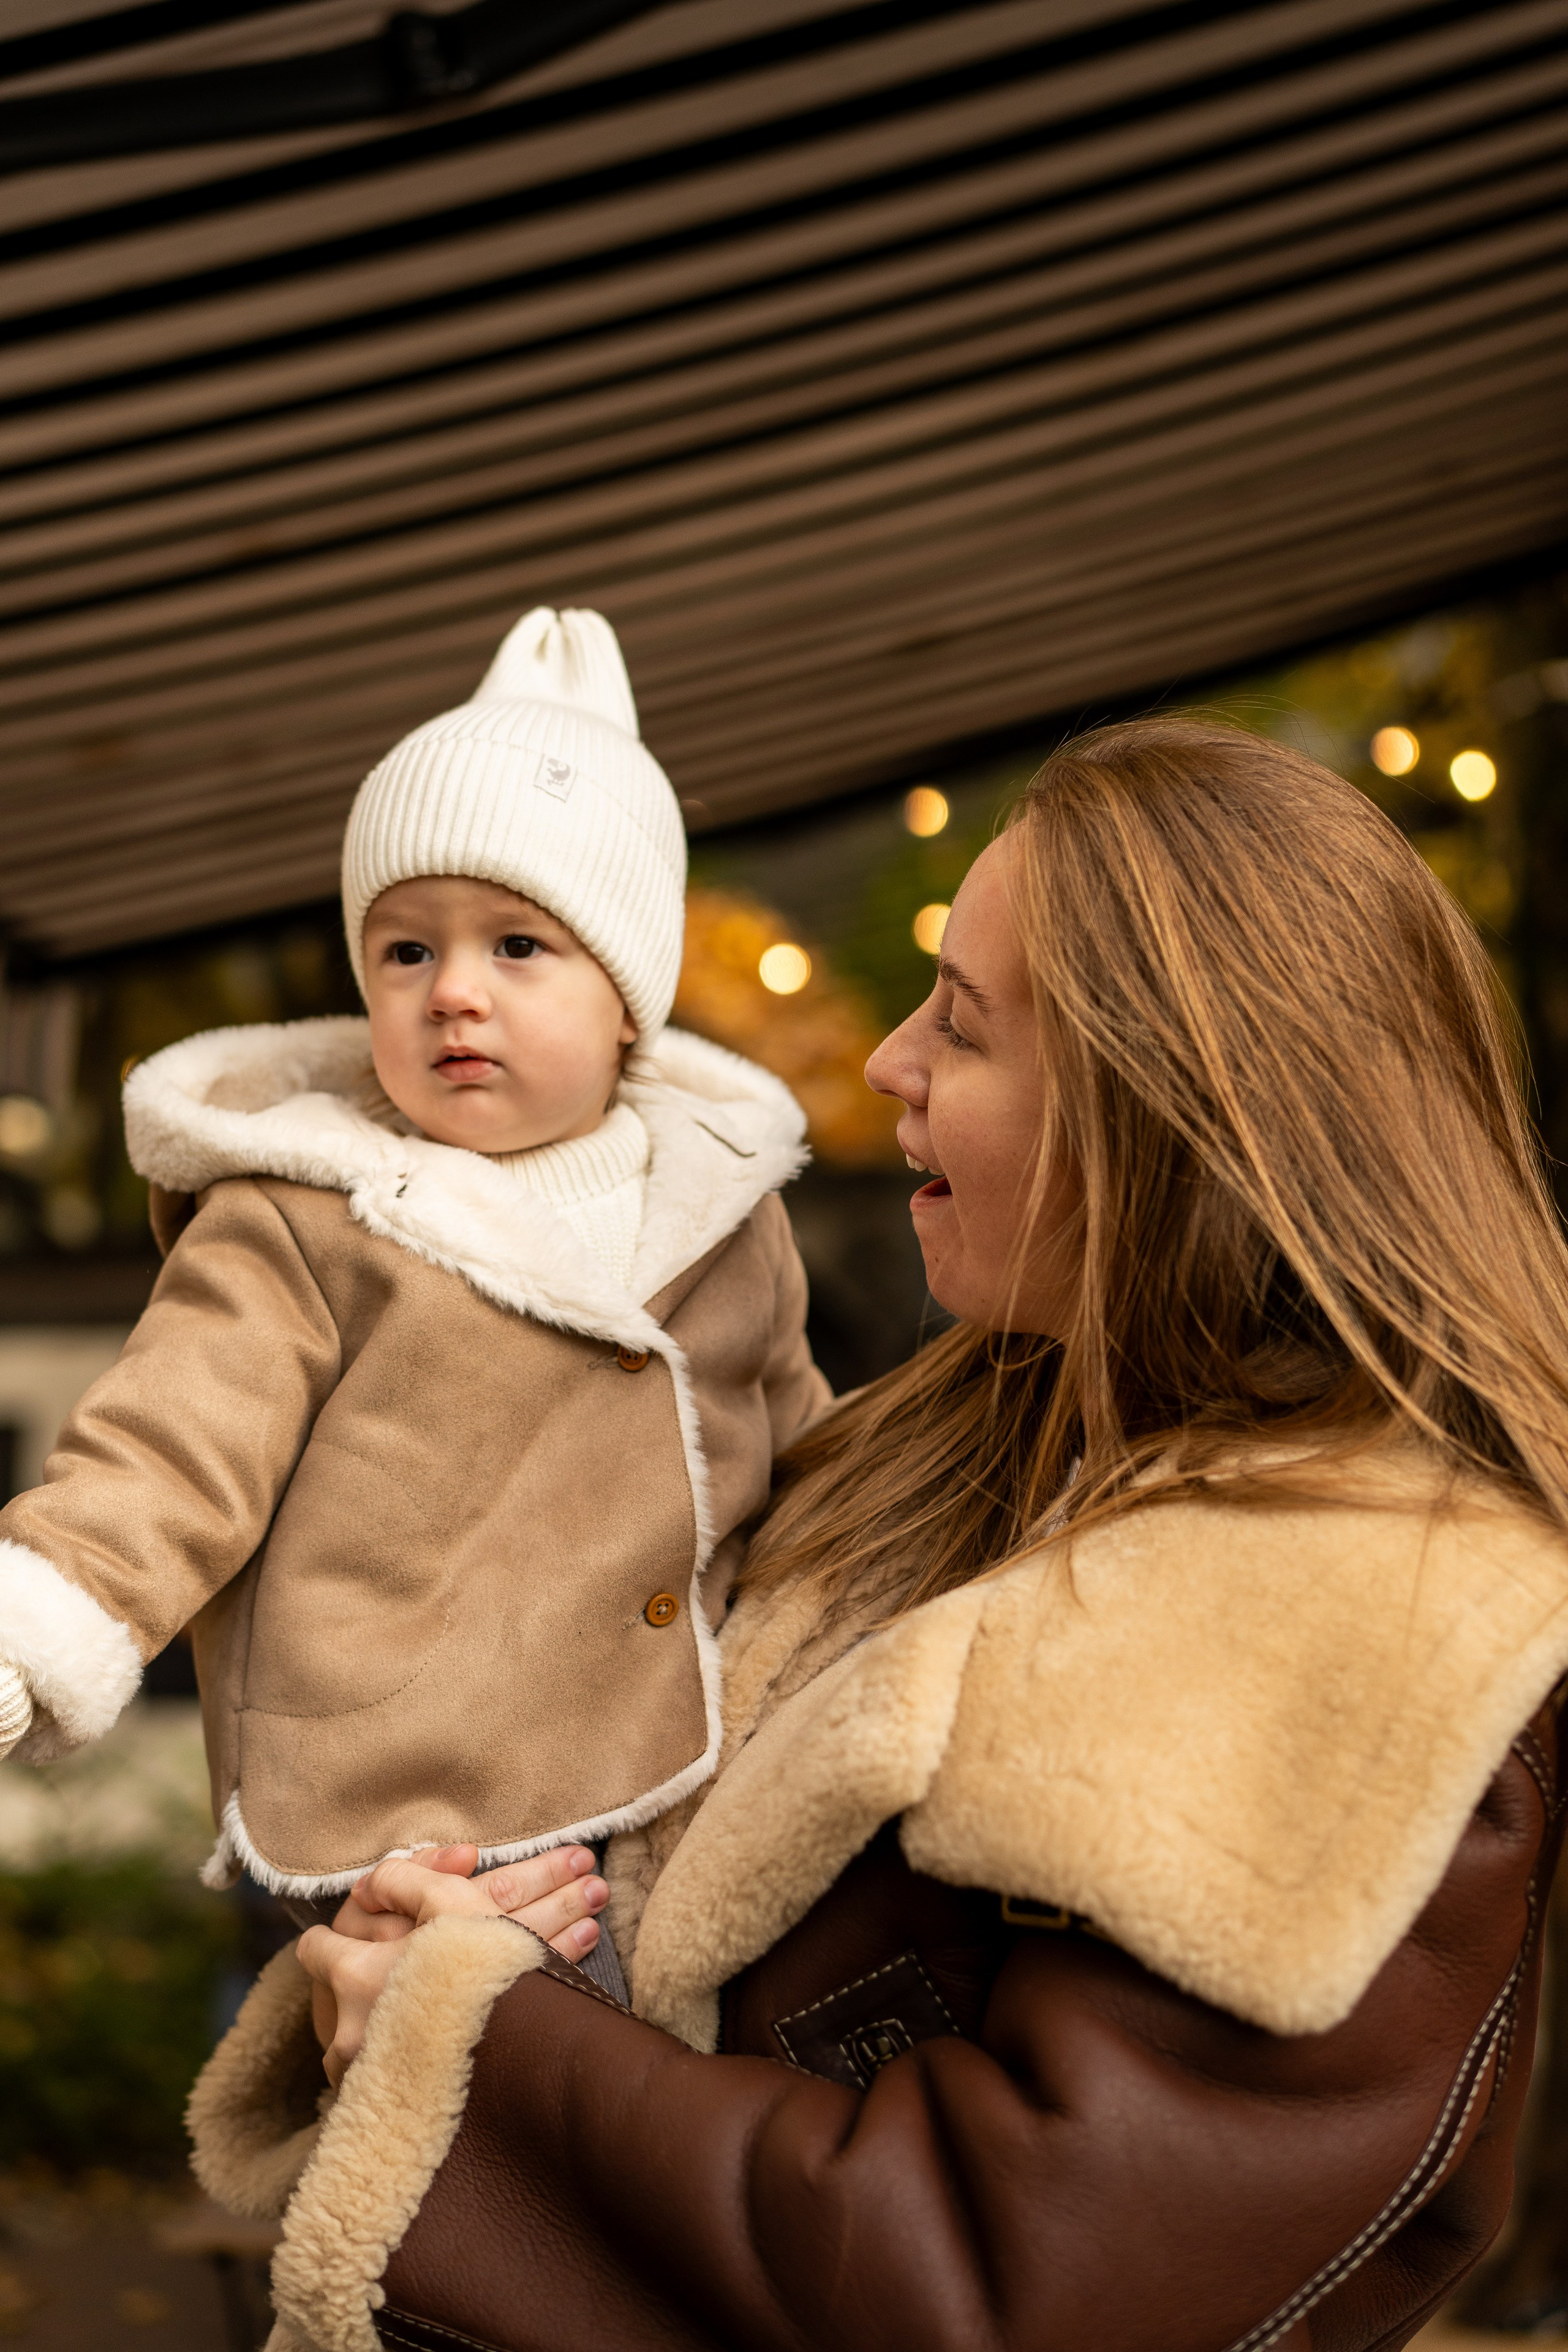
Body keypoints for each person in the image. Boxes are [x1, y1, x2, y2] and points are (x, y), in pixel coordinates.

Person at [199, 717, 1568, 2352]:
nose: (887, 1063)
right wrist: (432, 1917)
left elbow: (1010, 2291)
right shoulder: (928, 1457)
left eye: (967, 1030)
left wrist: (463, 2035)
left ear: (1162, 1117)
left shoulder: (1385, 1626)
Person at [0, 608, 827, 1998]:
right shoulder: (309, 1208)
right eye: (404, 950)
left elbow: (800, 1439)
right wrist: (32, 1634)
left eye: (518, 947)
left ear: (630, 994)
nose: (453, 992)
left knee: (639, 2125)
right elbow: (169, 1449)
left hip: (669, 1782)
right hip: (389, 1819)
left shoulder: (725, 1204)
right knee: (415, 2139)